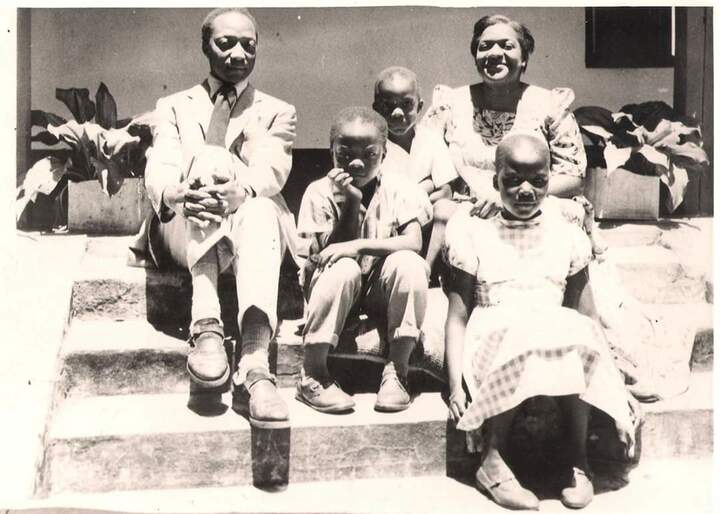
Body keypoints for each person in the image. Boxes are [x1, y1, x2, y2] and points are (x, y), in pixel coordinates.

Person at [444, 133, 636, 510]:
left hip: (553, 328)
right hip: (494, 332)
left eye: (538, 180)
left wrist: (613, 379)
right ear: (495, 179)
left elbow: (586, 313)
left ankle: (576, 460)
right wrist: (455, 386)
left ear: (551, 178)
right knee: (528, 330)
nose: (526, 190)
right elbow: (457, 315)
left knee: (572, 331)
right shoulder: (472, 229)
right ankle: (492, 459)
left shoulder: (565, 232)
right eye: (513, 180)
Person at [141, 8, 297, 428]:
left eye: (248, 44)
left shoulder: (277, 110)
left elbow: (272, 169)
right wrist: (175, 191)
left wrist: (241, 191)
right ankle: (206, 325)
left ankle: (254, 361)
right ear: (205, 45)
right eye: (225, 43)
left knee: (263, 205)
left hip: (250, 223)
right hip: (182, 221)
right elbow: (162, 163)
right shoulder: (172, 105)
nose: (237, 53)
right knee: (207, 162)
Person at [419, 14, 605, 269]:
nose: (494, 53)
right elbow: (422, 160)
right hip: (463, 206)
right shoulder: (449, 104)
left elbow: (573, 177)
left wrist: (508, 196)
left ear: (524, 57)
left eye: (507, 46)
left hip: (530, 200)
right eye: (485, 47)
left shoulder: (549, 105)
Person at [296, 106, 431, 414]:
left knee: (409, 263)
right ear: (330, 151)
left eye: (369, 155)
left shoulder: (399, 189)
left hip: (378, 290)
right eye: (344, 155)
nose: (356, 163)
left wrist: (358, 245)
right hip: (333, 287)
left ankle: (397, 370)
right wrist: (352, 202)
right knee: (343, 266)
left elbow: (413, 241)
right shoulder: (318, 193)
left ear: (384, 155)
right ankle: (312, 374)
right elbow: (327, 256)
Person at [371, 66, 458, 271]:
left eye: (406, 104)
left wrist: (415, 196)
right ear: (376, 109)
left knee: (446, 209)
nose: (398, 112)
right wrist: (425, 187)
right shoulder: (372, 147)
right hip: (388, 223)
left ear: (419, 107)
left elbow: (445, 191)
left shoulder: (431, 140)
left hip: (425, 222)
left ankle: (425, 269)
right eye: (388, 105)